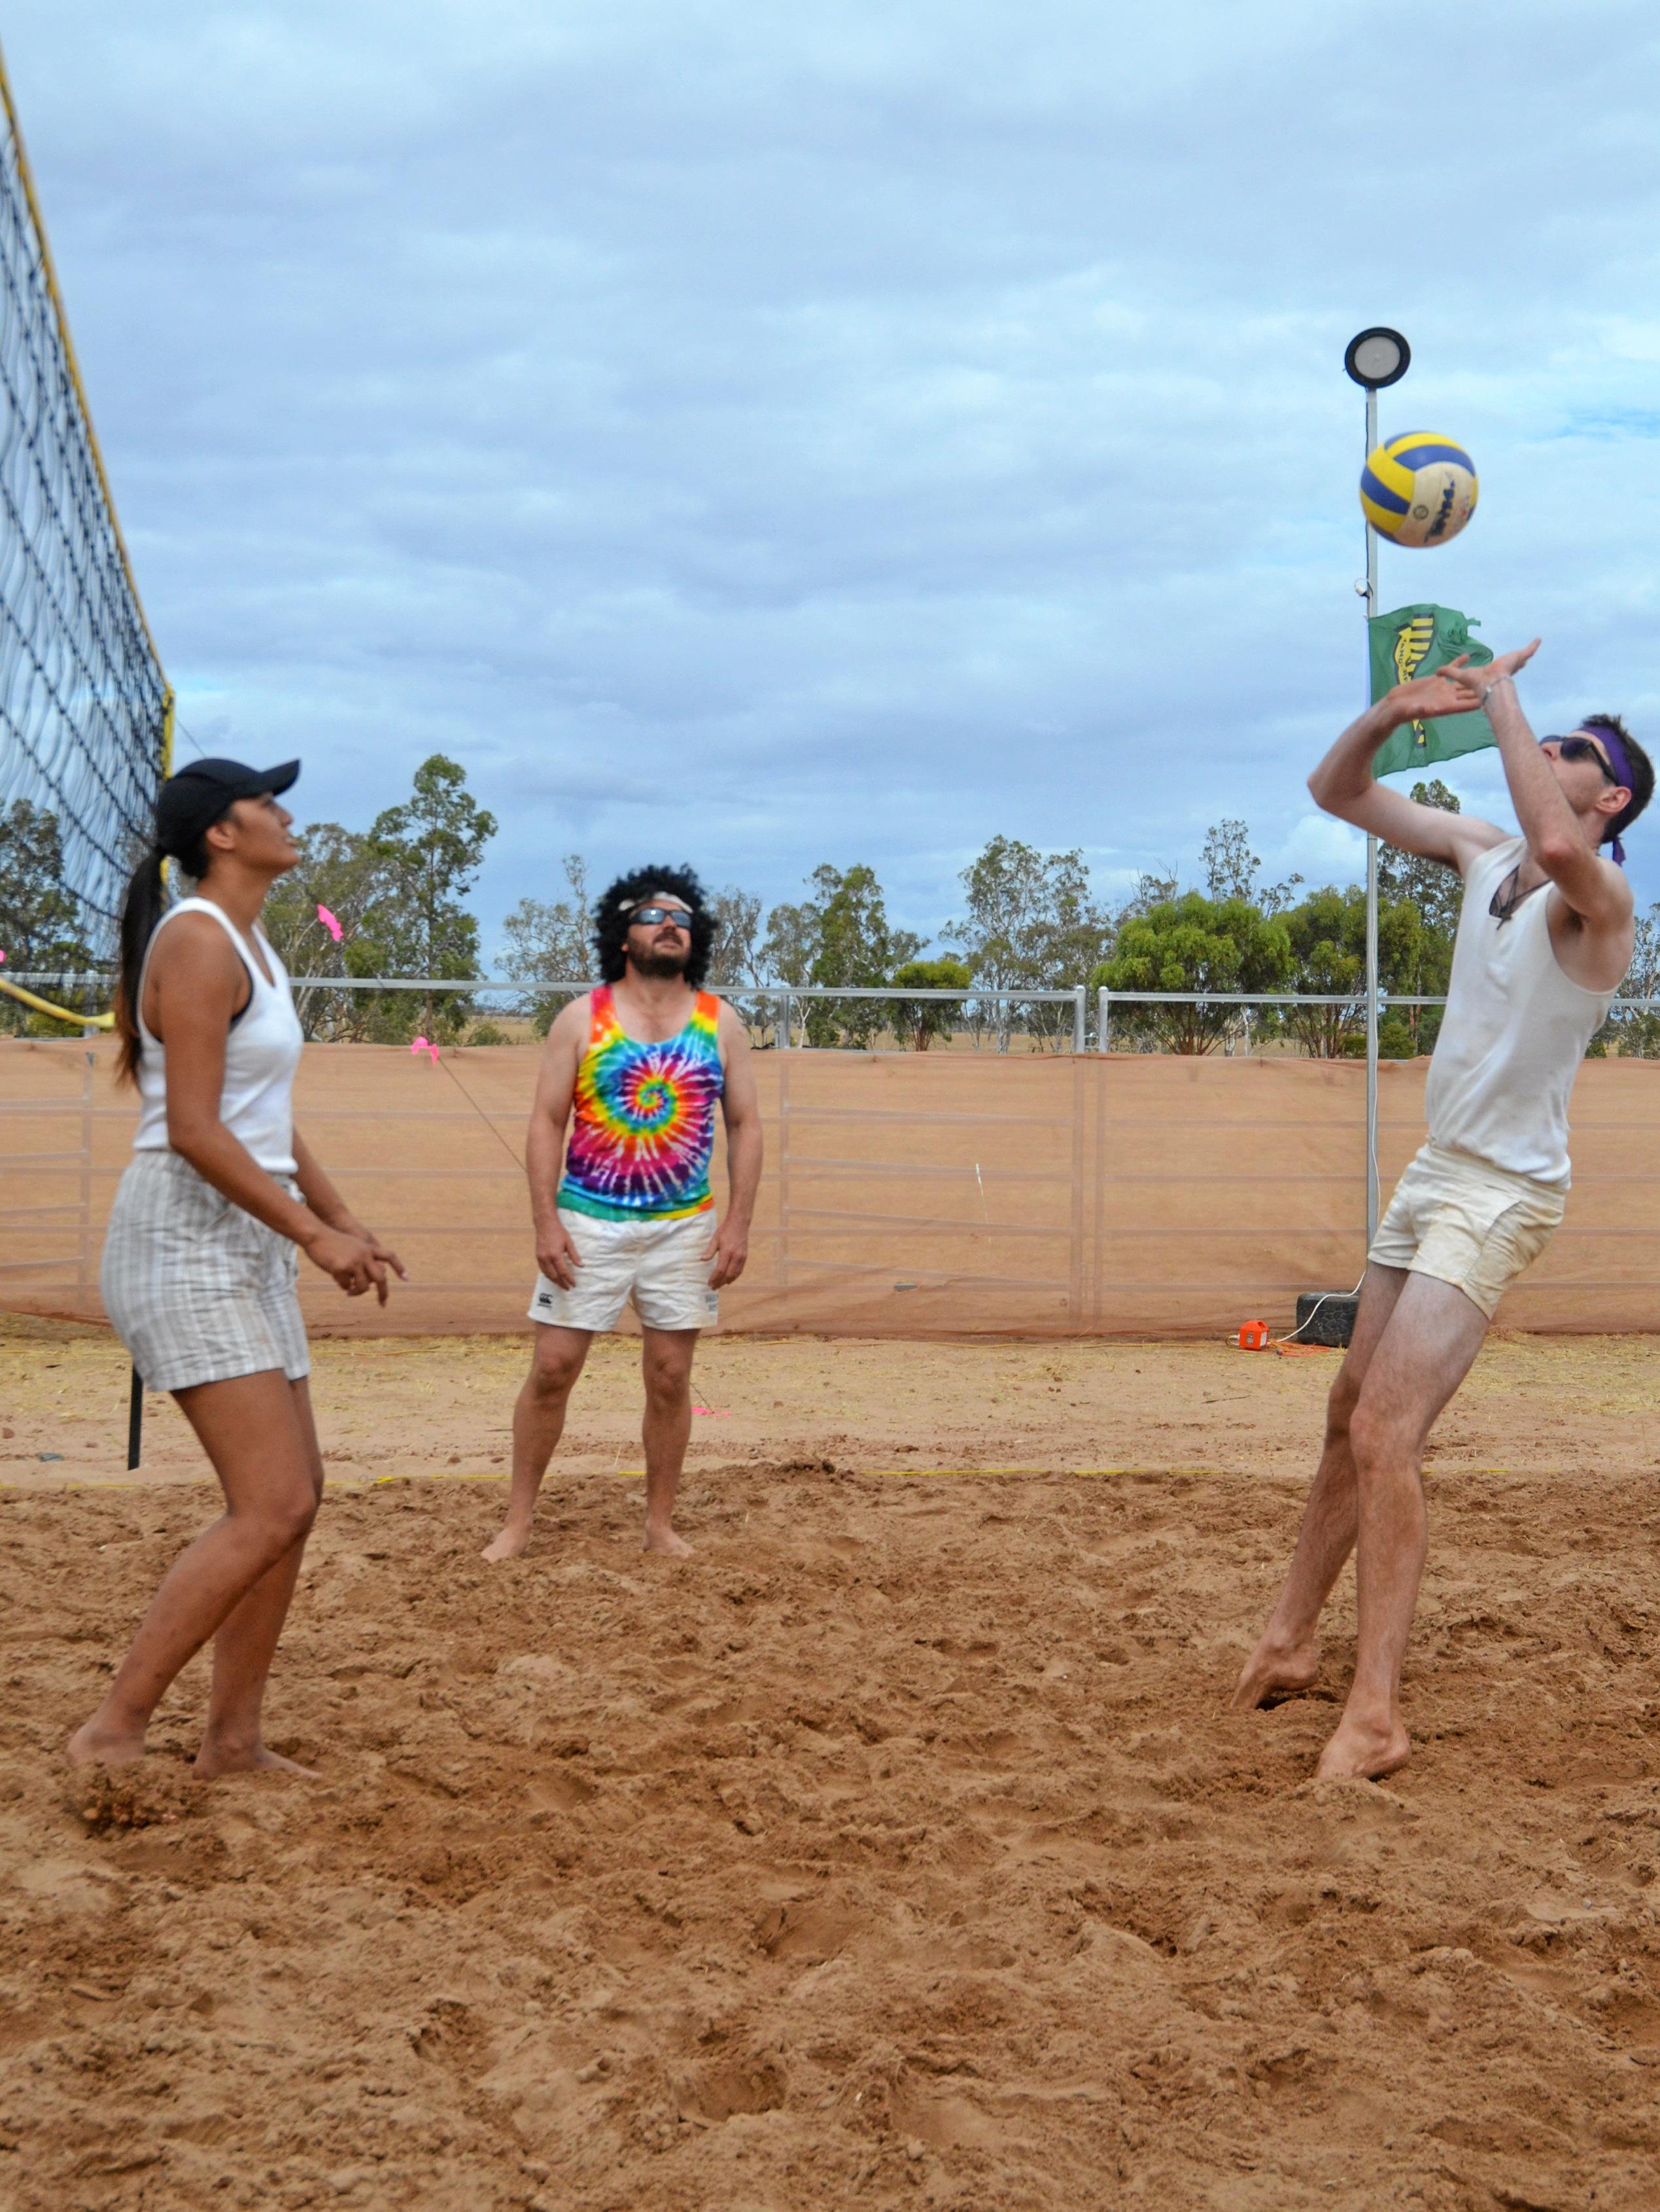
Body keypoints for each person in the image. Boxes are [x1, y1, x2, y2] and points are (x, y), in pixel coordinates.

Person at [1233, 642, 1650, 1780]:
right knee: (1343, 1409)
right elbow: (1333, 793)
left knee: (1385, 1434)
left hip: (1502, 1191)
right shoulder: (1481, 851)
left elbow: (1558, 844)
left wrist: (1501, 693)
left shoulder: (1598, 897)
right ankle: (1287, 1640)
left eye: (1573, 748)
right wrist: (1386, 711)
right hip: (1435, 1170)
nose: (1547, 749)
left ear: (1608, 795)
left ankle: (1375, 1714)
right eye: (1543, 736)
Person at [69, 758, 404, 1776]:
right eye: (268, 801)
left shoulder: (252, 941)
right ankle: (111, 1730)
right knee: (272, 1504)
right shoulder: (198, 940)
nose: (288, 814)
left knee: (297, 1494)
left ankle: (233, 1744)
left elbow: (260, 1118)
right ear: (221, 832)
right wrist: (313, 1234)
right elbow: (195, 1131)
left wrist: (339, 1214)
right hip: (183, 1238)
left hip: (245, 1234)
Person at [483, 866, 762, 1562]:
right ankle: (518, 1522)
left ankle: (659, 1525)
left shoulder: (720, 1022)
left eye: (682, 918)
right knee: (552, 1367)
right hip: (587, 1223)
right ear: (621, 932)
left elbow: (747, 1126)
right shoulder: (581, 1018)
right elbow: (547, 1122)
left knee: (670, 1378)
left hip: (685, 1229)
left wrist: (738, 1225)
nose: (670, 924)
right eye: (652, 914)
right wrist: (546, 1222)